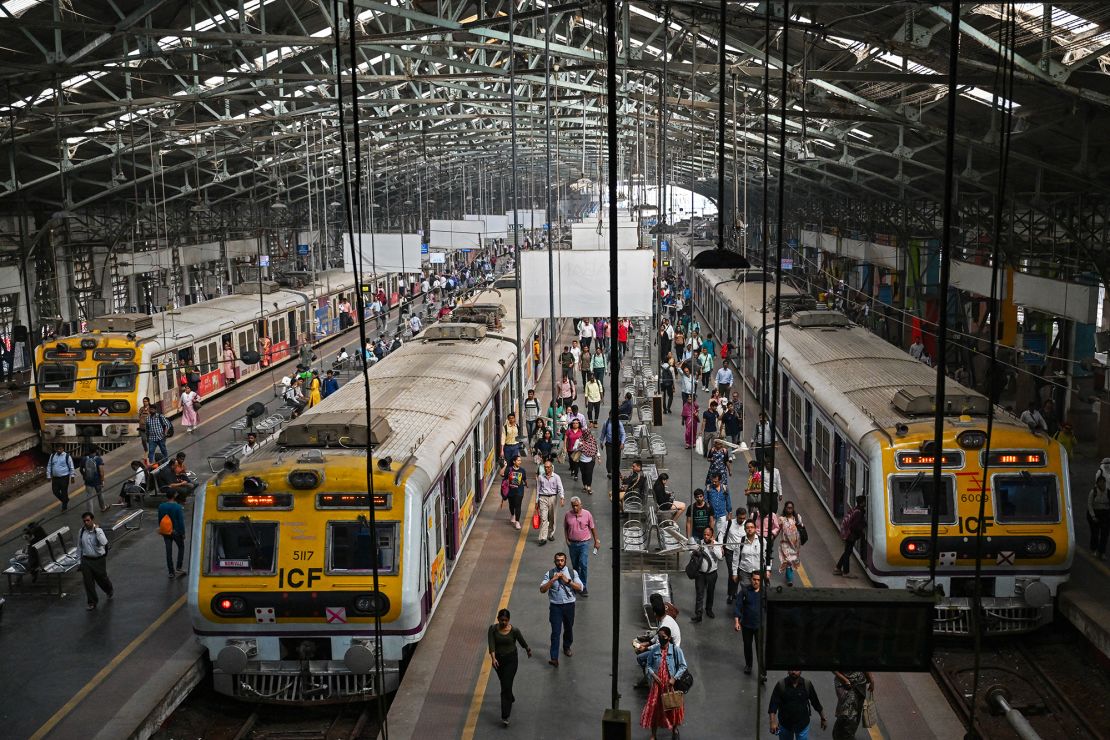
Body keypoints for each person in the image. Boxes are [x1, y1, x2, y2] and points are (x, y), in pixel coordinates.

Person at [639, 625, 687, 740]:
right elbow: (649, 665)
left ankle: (674, 729)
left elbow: (683, 666)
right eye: (659, 637)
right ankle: (653, 734)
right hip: (657, 685)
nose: (661, 639)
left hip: (670, 685)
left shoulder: (676, 650)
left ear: (669, 638)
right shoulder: (655, 650)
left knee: (673, 707)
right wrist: (653, 675)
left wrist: (674, 678)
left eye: (663, 637)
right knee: (654, 708)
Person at [488, 608, 532, 728]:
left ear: (509, 620)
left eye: (506, 620)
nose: (503, 622)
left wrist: (528, 649)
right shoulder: (492, 629)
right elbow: (491, 644)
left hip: (511, 660)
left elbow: (522, 641)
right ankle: (510, 696)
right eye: (501, 620)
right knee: (505, 683)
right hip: (498, 661)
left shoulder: (514, 631)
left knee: (505, 685)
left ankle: (505, 715)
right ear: (498, 619)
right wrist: (493, 658)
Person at [539, 551, 583, 667]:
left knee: (568, 628)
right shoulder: (549, 574)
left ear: (565, 561)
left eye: (562, 560)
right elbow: (542, 589)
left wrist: (567, 580)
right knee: (555, 632)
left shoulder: (572, 573)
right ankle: (554, 657)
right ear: (554, 561)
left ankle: (567, 646)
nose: (560, 562)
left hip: (569, 606)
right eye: (558, 560)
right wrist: (553, 580)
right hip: (555, 607)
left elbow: (580, 588)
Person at [564, 497, 600, 596]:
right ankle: (576, 584)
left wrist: (596, 541)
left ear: (581, 505)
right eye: (573, 506)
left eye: (576, 505)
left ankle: (583, 586)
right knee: (575, 566)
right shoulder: (568, 515)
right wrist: (566, 539)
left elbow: (592, 528)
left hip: (584, 543)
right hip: (572, 544)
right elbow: (566, 528)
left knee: (583, 564)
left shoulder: (587, 514)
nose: (575, 508)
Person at [78, 512, 114, 610]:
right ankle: (92, 602)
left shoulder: (99, 531)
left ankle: (108, 589)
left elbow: (104, 542)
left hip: (98, 560)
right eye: (84, 521)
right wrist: (79, 561)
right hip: (86, 560)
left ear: (92, 520)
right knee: (88, 582)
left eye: (88, 520)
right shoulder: (81, 531)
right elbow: (80, 547)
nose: (86, 522)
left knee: (101, 579)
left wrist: (97, 530)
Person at [733, 572, 765, 680]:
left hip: (759, 626)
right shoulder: (745, 591)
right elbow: (738, 606)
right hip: (746, 625)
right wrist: (737, 622)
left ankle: (762, 672)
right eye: (754, 579)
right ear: (751, 579)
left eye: (758, 580)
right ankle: (749, 665)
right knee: (747, 646)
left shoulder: (765, 593)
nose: (756, 582)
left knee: (760, 649)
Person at [691, 526, 722, 622]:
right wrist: (695, 551)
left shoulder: (716, 544)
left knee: (710, 592)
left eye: (708, 534)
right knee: (699, 593)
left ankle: (709, 610)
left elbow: (720, 557)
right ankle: (698, 614)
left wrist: (713, 548)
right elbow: (691, 554)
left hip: (712, 574)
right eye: (704, 534)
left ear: (712, 535)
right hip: (700, 574)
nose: (706, 536)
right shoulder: (699, 543)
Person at [832, 670, 875, 739]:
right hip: (845, 685)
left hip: (860, 685)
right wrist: (845, 680)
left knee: (856, 713)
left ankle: (848, 733)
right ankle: (845, 734)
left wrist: (871, 680)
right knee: (848, 714)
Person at [733, 518, 773, 588]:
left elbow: (767, 557)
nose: (750, 529)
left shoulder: (762, 541)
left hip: (759, 572)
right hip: (745, 572)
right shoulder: (740, 541)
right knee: (746, 592)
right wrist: (734, 573)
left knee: (758, 593)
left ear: (755, 528)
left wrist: (768, 569)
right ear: (745, 529)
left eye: (752, 527)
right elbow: (735, 558)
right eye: (747, 528)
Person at [718, 509, 746, 603]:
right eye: (740, 518)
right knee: (732, 572)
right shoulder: (728, 523)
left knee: (738, 572)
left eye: (743, 518)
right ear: (736, 516)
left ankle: (734, 593)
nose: (742, 520)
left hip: (741, 552)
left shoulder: (746, 525)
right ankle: (731, 594)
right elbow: (721, 534)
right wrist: (721, 546)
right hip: (729, 551)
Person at [157, 490, 187, 579]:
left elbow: (160, 519)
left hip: (166, 531)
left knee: (168, 551)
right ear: (174, 496)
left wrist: (162, 529)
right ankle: (179, 567)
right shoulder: (178, 507)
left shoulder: (161, 506)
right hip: (176, 531)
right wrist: (183, 533)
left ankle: (171, 572)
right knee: (181, 547)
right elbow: (180, 521)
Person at [535, 460, 565, 546]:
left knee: (552, 518)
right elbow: (538, 490)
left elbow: (560, 488)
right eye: (545, 467)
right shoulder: (540, 477)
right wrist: (536, 501)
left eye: (548, 467)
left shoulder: (556, 477)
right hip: (543, 498)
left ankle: (551, 534)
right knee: (544, 518)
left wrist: (562, 498)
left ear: (551, 468)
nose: (546, 469)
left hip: (553, 498)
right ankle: (543, 538)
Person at [835, 495, 866, 577]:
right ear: (862, 503)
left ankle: (838, 568)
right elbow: (854, 526)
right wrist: (862, 528)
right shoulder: (859, 512)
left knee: (847, 551)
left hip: (848, 534)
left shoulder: (855, 509)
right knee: (847, 552)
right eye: (865, 501)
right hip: (851, 535)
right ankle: (846, 572)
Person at [779, 500, 805, 585]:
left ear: (793, 509)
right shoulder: (781, 519)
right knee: (788, 560)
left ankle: (788, 575)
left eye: (791, 508)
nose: (789, 509)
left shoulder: (797, 517)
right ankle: (790, 579)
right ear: (785, 508)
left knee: (792, 560)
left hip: (795, 544)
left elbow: (802, 527)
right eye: (788, 508)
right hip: (785, 543)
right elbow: (777, 529)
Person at [45, 443, 76, 511]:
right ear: (56, 449)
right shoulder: (52, 456)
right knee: (55, 491)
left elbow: (71, 467)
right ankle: (65, 500)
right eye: (57, 449)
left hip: (64, 477)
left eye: (60, 449)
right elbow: (49, 465)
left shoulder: (67, 456)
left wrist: (72, 477)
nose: (59, 450)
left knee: (64, 491)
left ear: (63, 449)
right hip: (55, 478)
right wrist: (48, 475)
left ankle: (64, 506)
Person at [501, 455, 527, 530]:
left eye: (520, 460)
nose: (520, 462)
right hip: (510, 491)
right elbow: (501, 474)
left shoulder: (522, 470)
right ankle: (512, 514)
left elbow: (524, 479)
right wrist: (505, 466)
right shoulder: (509, 469)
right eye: (518, 460)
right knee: (511, 505)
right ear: (514, 461)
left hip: (519, 491)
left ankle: (517, 521)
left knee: (518, 506)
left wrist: (526, 484)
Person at [1088, 469, 1110, 559]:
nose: (1102, 484)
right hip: (1095, 513)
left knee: (1105, 534)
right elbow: (1089, 505)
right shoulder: (1093, 492)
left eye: (1103, 482)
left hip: (1105, 514)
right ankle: (1094, 549)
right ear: (1097, 483)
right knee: (1095, 533)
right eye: (1100, 482)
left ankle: (1102, 552)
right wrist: (1093, 516)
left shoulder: (1108, 492)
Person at [81, 445, 109, 512]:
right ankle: (103, 508)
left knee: (89, 497)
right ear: (96, 451)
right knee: (100, 494)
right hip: (97, 480)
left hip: (88, 480)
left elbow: (81, 469)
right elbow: (101, 471)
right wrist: (102, 480)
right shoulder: (98, 459)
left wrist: (85, 476)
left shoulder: (84, 459)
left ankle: (91, 513)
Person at [576, 428, 599, 495]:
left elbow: (596, 448)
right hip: (581, 460)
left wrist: (599, 457)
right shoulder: (579, 440)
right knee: (583, 474)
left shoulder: (592, 440)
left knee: (589, 473)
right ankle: (585, 486)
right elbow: (574, 448)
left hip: (591, 460)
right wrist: (579, 446)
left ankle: (589, 487)